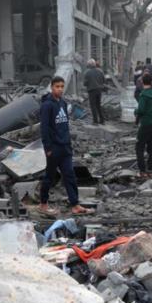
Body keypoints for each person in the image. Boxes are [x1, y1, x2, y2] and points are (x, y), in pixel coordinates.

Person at [39, 76, 94, 216]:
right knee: (49, 177)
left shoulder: (63, 104)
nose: (60, 89)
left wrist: (69, 143)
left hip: (65, 147)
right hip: (54, 148)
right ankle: (43, 203)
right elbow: (44, 128)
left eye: (62, 86)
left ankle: (75, 204)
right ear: (52, 87)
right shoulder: (47, 105)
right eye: (57, 86)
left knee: (70, 175)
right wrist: (48, 148)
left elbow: (65, 126)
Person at [135, 73, 152, 179]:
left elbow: (141, 110)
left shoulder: (143, 95)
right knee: (151, 146)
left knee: (139, 147)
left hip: (145, 123)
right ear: (151, 82)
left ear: (142, 82)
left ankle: (142, 171)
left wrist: (135, 111)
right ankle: (150, 170)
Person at [83, 58, 106, 125]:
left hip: (92, 91)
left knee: (93, 106)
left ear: (89, 65)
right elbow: (104, 81)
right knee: (98, 105)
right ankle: (102, 120)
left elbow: (85, 83)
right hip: (99, 90)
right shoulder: (100, 71)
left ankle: (95, 121)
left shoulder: (87, 73)